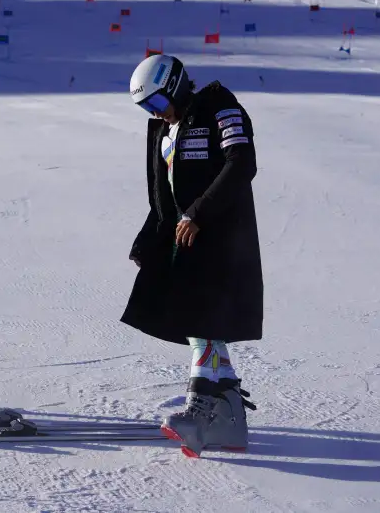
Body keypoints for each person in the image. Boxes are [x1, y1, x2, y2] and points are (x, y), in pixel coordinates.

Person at [121, 54, 262, 458]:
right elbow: (163, 198)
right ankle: (227, 417)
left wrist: (199, 213)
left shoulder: (220, 108)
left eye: (158, 104)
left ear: (177, 86)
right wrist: (147, 240)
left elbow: (241, 163)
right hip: (186, 241)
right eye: (146, 109)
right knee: (199, 324)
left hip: (221, 236)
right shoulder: (163, 132)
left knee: (203, 320)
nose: (155, 114)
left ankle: (203, 412)